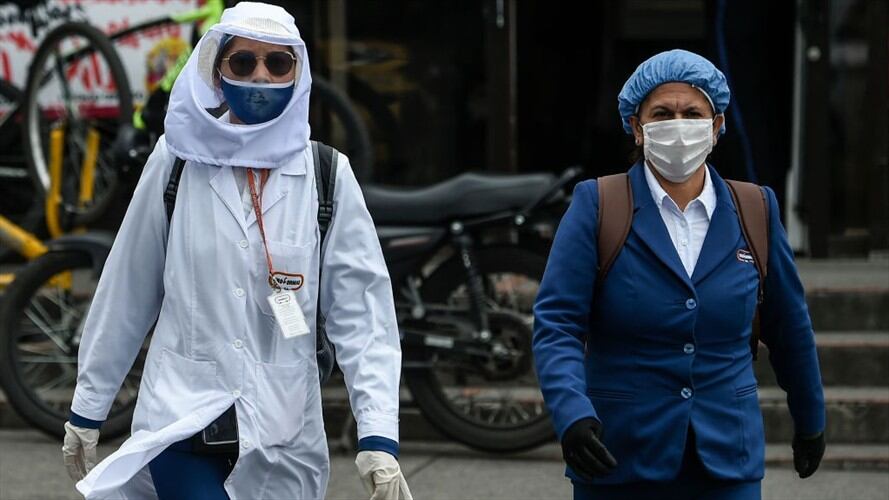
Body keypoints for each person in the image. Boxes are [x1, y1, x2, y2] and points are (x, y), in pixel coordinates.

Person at [59, 3, 411, 499]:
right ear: (217, 73)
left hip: (281, 435)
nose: (261, 76)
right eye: (243, 63)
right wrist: (88, 406)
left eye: (278, 63)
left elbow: (362, 313)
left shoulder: (327, 176)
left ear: (298, 74)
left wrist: (379, 436)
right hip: (181, 418)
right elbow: (127, 287)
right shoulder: (176, 162)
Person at [532, 49, 826, 500]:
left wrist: (811, 419)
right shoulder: (598, 204)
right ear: (637, 125)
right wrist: (572, 412)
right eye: (662, 113)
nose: (678, 124)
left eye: (692, 113)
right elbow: (557, 324)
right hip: (621, 457)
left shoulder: (755, 208)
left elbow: (789, 327)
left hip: (728, 460)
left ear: (717, 124)